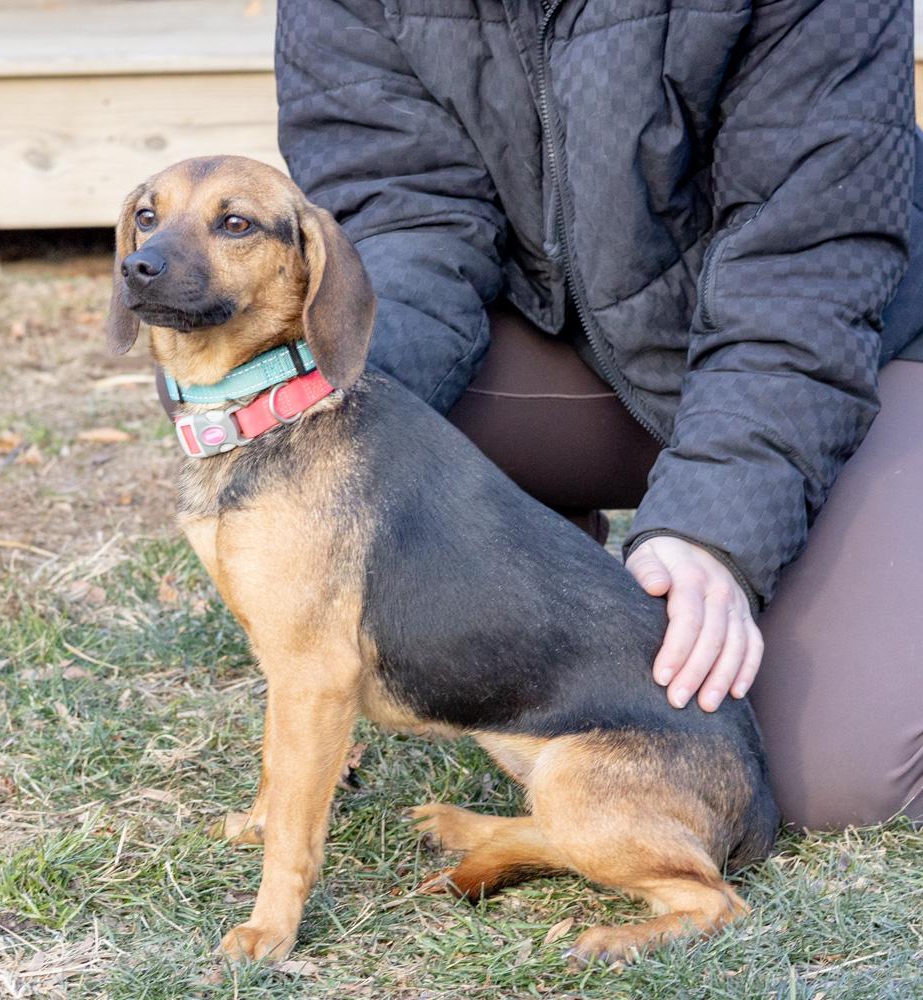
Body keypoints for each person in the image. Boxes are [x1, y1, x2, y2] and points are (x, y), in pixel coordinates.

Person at [266, 0, 923, 830]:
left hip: (833, 354)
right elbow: (404, 217)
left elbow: (804, 268)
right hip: (549, 344)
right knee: (276, 393)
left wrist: (714, 529)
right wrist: (315, 410)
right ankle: (548, 568)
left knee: (841, 780)